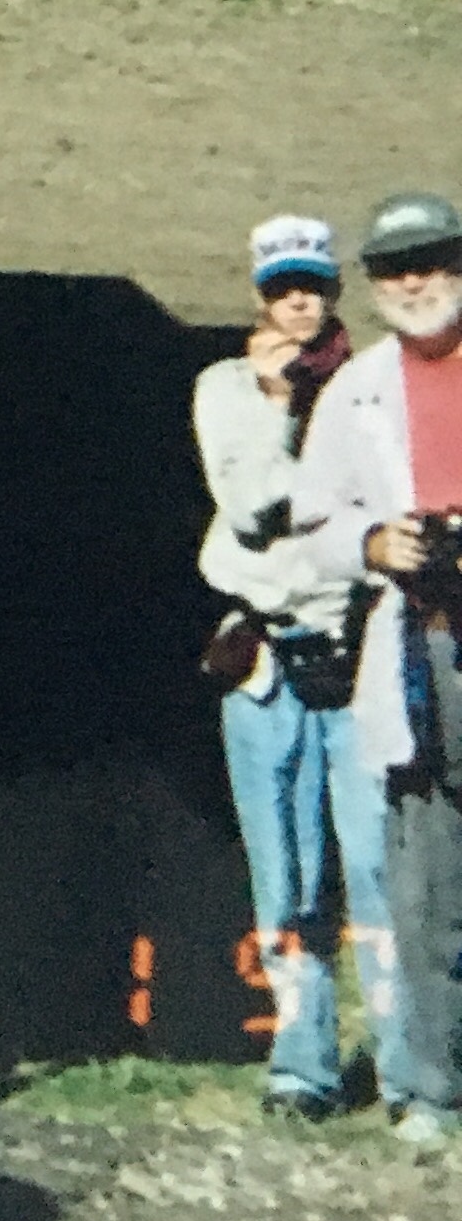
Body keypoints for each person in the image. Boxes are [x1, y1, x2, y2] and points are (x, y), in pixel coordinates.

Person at [197, 212, 386, 1119]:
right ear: (258, 294)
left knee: (384, 866)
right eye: (280, 288)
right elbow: (251, 508)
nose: (297, 302)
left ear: (334, 289)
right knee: (289, 875)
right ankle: (303, 1066)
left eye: (310, 285)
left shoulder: (374, 385)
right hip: (267, 657)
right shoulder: (227, 388)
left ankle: (405, 1055)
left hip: (362, 650)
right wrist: (278, 412)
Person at [294, 188, 462, 1151]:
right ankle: (433, 1091)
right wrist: (372, 543)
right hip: (420, 646)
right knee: (428, 877)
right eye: (393, 267)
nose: (413, 280)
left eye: (432, 258)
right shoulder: (357, 387)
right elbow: (312, 526)